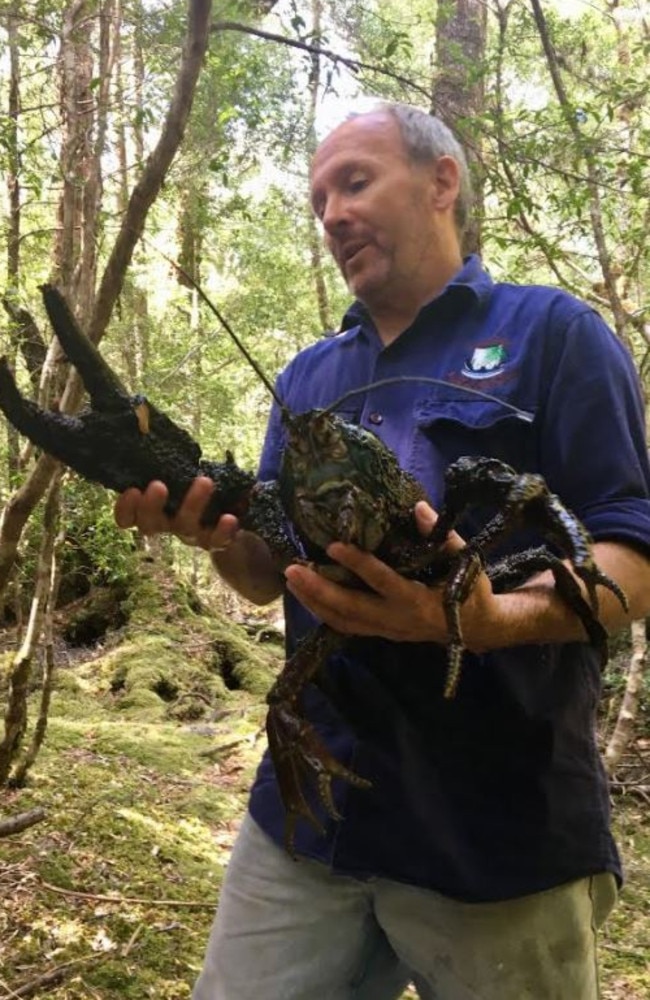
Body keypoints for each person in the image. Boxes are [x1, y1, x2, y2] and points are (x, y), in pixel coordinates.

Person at [115, 102, 650, 1000]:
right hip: (312, 815)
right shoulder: (307, 378)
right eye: (319, 199)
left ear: (442, 183)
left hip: (499, 832)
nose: (331, 215)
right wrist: (209, 531)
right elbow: (261, 577)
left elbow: (633, 557)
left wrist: (482, 620)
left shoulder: (557, 336)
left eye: (354, 182)